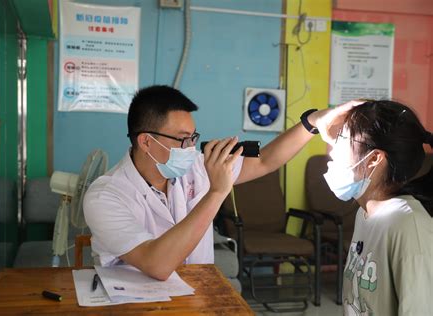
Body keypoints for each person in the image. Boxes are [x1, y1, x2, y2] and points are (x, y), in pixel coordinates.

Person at [84, 85, 357, 281]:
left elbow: (266, 161)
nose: (191, 148)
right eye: (182, 139)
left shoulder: (197, 165)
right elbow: (157, 265)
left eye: (193, 137)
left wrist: (312, 122)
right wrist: (217, 191)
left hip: (199, 292)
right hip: (134, 305)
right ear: (146, 141)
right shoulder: (106, 196)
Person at [323, 100, 433, 315]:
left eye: (342, 139)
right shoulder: (365, 214)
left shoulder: (408, 225)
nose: (332, 150)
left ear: (373, 159)